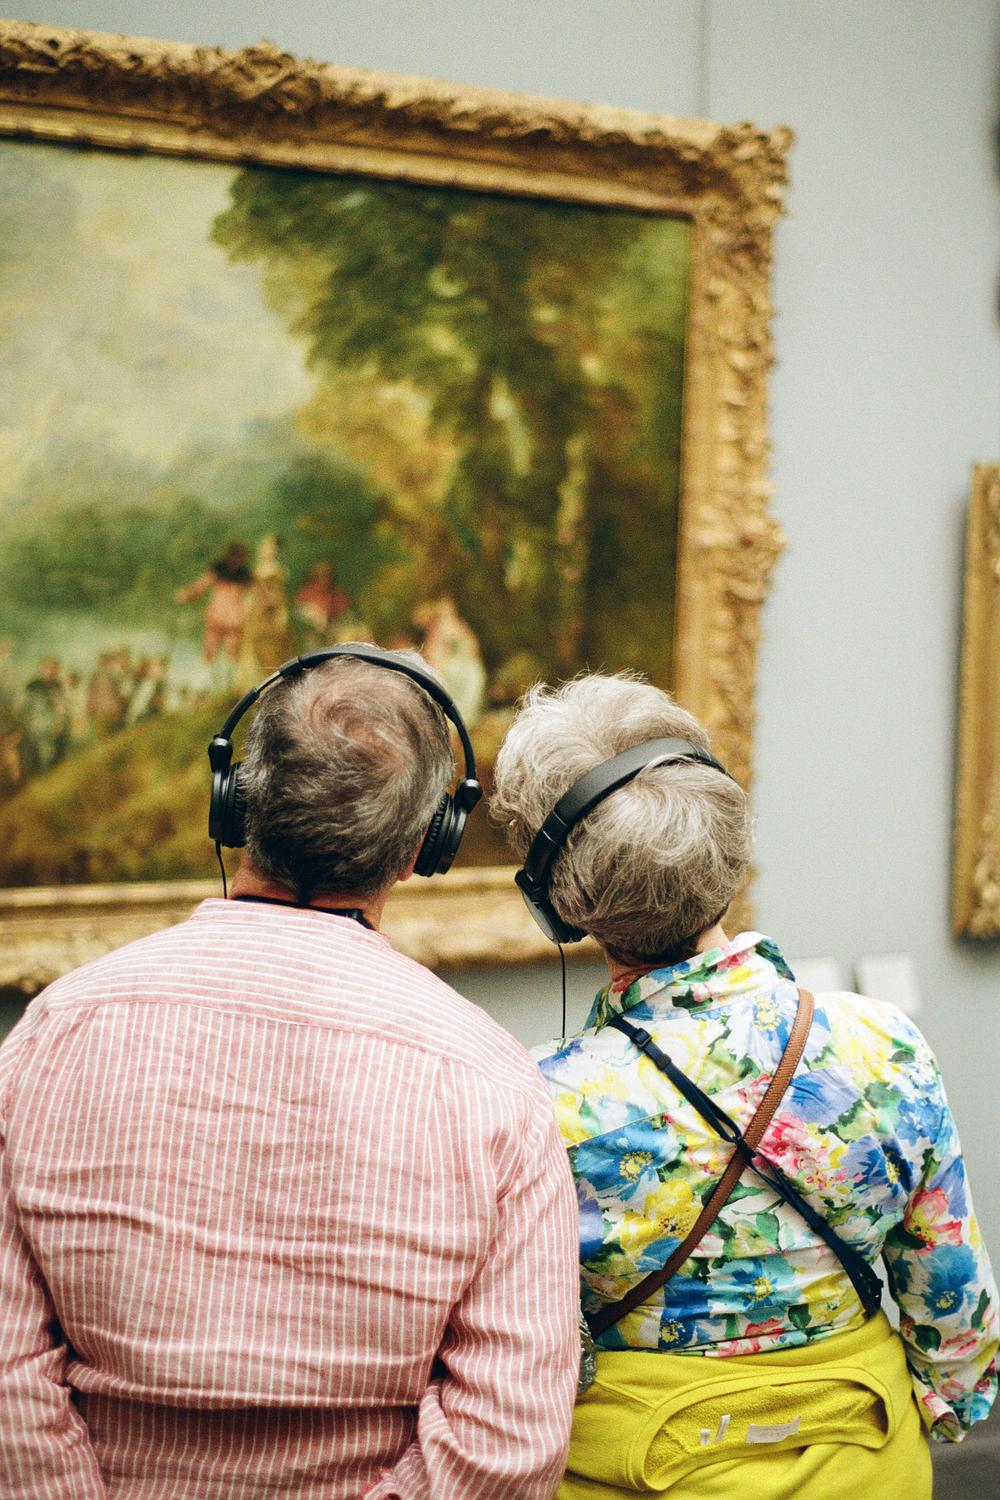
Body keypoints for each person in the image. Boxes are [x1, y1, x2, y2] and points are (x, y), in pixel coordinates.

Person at [0, 648, 579, 1498]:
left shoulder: (57, 1030)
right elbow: (508, 1444)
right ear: (426, 845)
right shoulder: (493, 1082)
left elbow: (8, 1371)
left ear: (236, 804)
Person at [492, 672, 998, 1500]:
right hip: (862, 1467)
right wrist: (948, 1409)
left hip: (634, 1473)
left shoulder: (533, 1099)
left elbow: (510, 1353)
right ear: (726, 843)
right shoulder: (884, 1048)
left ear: (561, 902)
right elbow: (955, 1324)